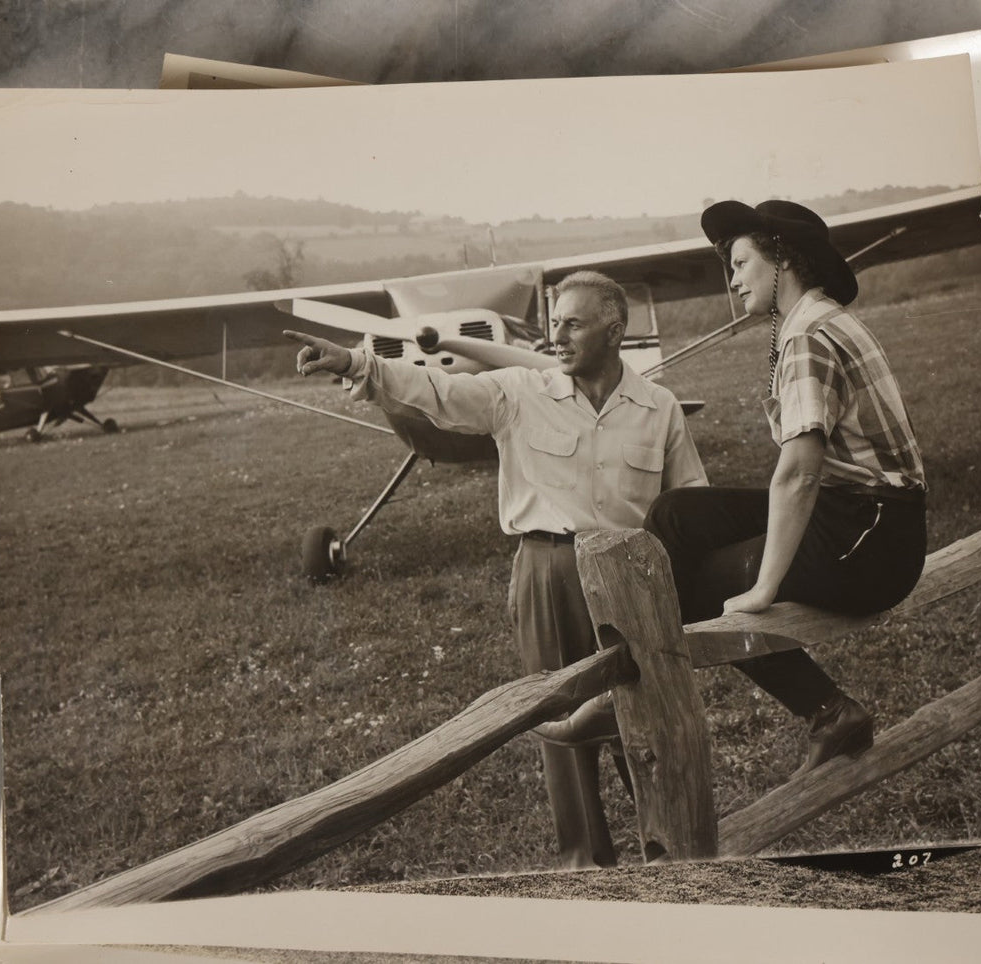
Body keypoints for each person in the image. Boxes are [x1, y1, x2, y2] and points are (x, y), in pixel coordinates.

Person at [285, 270, 707, 869]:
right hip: (548, 570)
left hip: (631, 576)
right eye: (553, 322)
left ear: (616, 331)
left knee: (643, 710)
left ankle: (667, 847)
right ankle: (585, 866)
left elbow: (691, 499)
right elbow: (436, 391)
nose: (557, 336)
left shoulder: (659, 408)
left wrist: (679, 584)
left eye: (573, 324)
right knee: (556, 717)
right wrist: (357, 363)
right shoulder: (518, 391)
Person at [643, 199, 928, 772]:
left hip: (873, 537)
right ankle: (647, 659)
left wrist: (764, 587)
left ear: (783, 261)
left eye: (741, 263)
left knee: (705, 583)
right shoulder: (809, 322)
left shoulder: (809, 337)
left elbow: (798, 473)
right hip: (854, 513)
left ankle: (828, 711)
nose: (732, 281)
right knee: (677, 516)